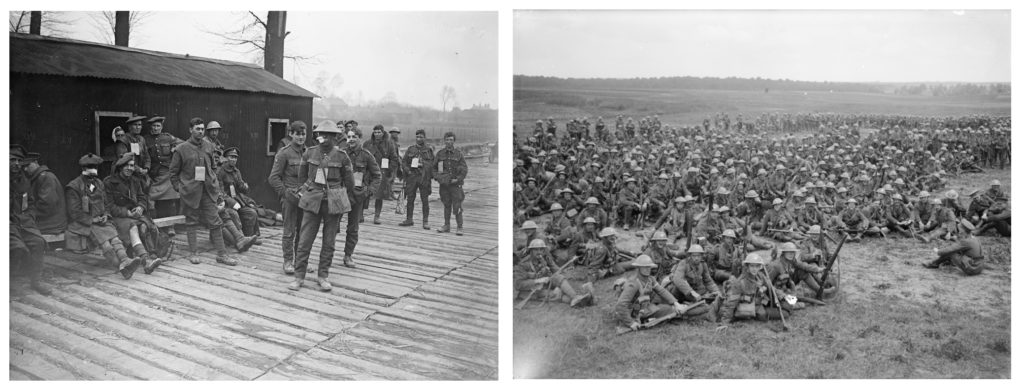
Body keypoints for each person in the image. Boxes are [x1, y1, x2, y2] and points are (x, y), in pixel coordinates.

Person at [290, 120, 355, 291]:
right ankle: (299, 277)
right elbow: (302, 178)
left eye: (329, 135)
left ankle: (323, 275)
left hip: (334, 201)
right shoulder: (309, 153)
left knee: (329, 242)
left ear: (335, 137)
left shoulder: (342, 156)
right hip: (312, 200)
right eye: (321, 134)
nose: (324, 138)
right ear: (317, 135)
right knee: (304, 240)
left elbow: (349, 182)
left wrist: (339, 196)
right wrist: (308, 192)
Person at [169, 117, 236, 266]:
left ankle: (222, 254)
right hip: (190, 192)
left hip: (208, 191)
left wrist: (214, 184)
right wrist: (180, 188)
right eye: (197, 129)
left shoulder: (209, 146)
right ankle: (193, 253)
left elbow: (213, 167)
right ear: (190, 130)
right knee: (191, 221)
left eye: (202, 129)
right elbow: (173, 173)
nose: (200, 131)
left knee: (215, 221)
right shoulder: (181, 149)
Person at [66, 153, 145, 278]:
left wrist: (106, 215)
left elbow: (106, 204)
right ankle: (121, 266)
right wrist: (92, 219)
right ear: (83, 168)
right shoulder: (74, 186)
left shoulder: (99, 183)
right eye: (90, 167)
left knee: (115, 239)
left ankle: (125, 260)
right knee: (106, 244)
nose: (93, 170)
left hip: (101, 221)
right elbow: (74, 212)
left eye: (95, 167)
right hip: (84, 223)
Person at [104, 153, 164, 275]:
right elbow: (109, 206)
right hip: (118, 217)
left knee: (144, 226)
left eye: (132, 166)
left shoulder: (135, 181)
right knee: (133, 226)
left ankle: (149, 255)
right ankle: (146, 260)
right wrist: (127, 213)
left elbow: (142, 198)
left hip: (134, 215)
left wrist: (140, 207)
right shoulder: (109, 182)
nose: (130, 168)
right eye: (126, 166)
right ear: (120, 167)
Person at [612, 255, 692, 334]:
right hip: (633, 312)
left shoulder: (650, 279)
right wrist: (630, 323)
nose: (647, 269)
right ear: (639, 268)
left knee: (669, 309)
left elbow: (661, 291)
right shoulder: (633, 283)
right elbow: (621, 305)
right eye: (644, 267)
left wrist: (676, 303)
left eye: (649, 267)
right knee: (670, 310)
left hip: (644, 307)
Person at [10, 145, 52, 295]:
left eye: (19, 160)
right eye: (12, 160)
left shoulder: (24, 181)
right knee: (17, 248)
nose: (16, 164)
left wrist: (30, 217)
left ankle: (36, 281)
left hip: (24, 223)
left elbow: (31, 203)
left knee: (38, 242)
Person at [268, 120, 308, 275]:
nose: (301, 137)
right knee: (289, 231)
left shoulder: (308, 152)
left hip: (305, 198)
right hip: (289, 199)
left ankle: (300, 261)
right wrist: (285, 193)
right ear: (291, 134)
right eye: (297, 134)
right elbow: (273, 178)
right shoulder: (284, 153)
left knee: (303, 232)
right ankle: (288, 262)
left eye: (303, 134)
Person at [341, 126, 381, 268]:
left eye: (354, 137)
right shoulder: (341, 154)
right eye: (349, 137)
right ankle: (328, 253)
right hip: (340, 195)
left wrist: (368, 191)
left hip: (357, 196)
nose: (351, 139)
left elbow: (377, 176)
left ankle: (348, 255)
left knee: (353, 228)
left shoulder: (366, 156)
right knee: (332, 226)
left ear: (360, 138)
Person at [717, 253, 788, 331]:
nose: (754, 269)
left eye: (757, 266)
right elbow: (731, 303)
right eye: (752, 266)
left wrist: (782, 295)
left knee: (787, 307)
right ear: (747, 266)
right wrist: (724, 323)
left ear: (760, 267)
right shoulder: (740, 282)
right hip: (749, 309)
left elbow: (770, 287)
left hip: (760, 304)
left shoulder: (760, 276)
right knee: (784, 314)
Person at [514, 239, 593, 308]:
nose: (539, 252)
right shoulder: (523, 264)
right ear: (531, 251)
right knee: (557, 293)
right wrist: (537, 281)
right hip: (531, 290)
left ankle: (576, 297)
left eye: (541, 250)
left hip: (544, 285)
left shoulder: (543, 259)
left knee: (558, 277)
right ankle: (583, 301)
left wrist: (557, 272)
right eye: (536, 250)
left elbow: (554, 270)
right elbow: (518, 284)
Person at [217, 147, 262, 240]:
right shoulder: (220, 172)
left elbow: (240, 187)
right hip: (224, 203)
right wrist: (232, 202)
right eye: (231, 157)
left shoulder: (236, 171)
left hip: (237, 200)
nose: (234, 159)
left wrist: (244, 186)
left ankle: (250, 237)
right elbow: (220, 192)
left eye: (235, 157)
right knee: (234, 214)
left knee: (251, 212)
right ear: (226, 158)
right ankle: (238, 239)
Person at [145, 115, 183, 220]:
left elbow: (183, 144)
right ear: (151, 127)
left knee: (171, 198)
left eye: (158, 126)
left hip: (168, 173)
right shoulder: (146, 140)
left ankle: (172, 223)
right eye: (154, 126)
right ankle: (155, 222)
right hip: (153, 173)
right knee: (151, 197)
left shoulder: (168, 137)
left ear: (161, 127)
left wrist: (175, 148)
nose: (156, 128)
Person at [363, 125, 400, 225]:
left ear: (383, 133)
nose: (377, 134)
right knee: (364, 193)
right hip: (368, 172)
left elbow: (394, 158)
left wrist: (389, 170)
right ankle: (360, 214)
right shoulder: (368, 143)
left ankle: (377, 216)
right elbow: (362, 156)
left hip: (382, 172)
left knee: (379, 195)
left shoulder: (389, 144)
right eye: (375, 132)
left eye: (379, 132)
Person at [433, 132, 469, 235]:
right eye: (447, 140)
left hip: (455, 185)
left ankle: (459, 227)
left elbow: (464, 169)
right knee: (446, 204)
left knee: (457, 205)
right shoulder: (440, 154)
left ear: (454, 141)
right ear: (444, 141)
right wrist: (439, 179)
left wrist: (457, 179)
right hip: (444, 185)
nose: (449, 142)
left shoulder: (458, 154)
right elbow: (435, 169)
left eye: (451, 140)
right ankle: (446, 226)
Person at [22, 152, 66, 235]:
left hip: (52, 223)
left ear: (36, 162)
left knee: (21, 229)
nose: (25, 169)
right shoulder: (38, 177)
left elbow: (46, 205)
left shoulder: (46, 177)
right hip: (49, 220)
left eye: (27, 165)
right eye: (23, 167)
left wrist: (29, 214)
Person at [399, 129, 435, 229]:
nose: (419, 139)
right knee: (410, 199)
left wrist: (424, 165)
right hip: (412, 177)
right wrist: (408, 171)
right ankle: (409, 219)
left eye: (421, 137)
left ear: (425, 138)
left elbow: (433, 164)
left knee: (425, 200)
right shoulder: (411, 149)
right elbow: (404, 162)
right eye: (417, 137)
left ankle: (425, 221)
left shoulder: (429, 150)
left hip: (424, 177)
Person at [123, 114, 151, 190]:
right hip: (128, 173)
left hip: (141, 174)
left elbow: (147, 156)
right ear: (130, 127)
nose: (138, 127)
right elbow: (124, 159)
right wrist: (139, 170)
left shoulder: (141, 139)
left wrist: (146, 168)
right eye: (135, 125)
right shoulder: (124, 139)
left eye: (139, 125)